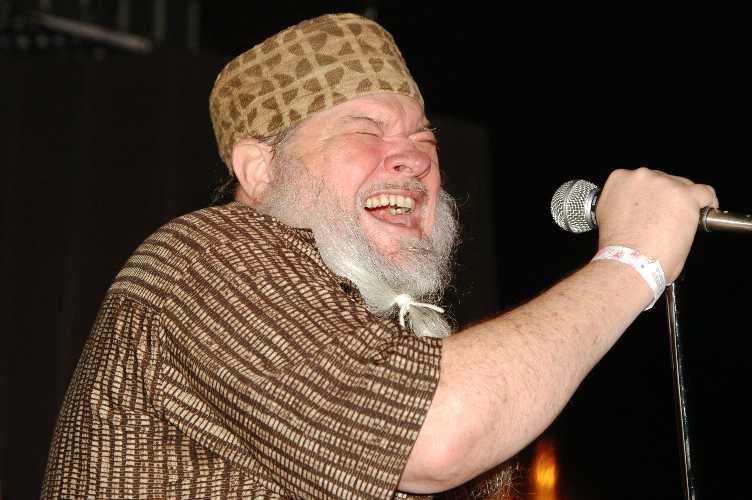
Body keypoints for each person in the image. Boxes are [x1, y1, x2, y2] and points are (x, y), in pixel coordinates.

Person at [41, 12, 718, 500]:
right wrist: (633, 260)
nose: (414, 158)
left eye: (425, 139)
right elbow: (437, 435)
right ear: (260, 168)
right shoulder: (207, 256)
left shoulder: (362, 327)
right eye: (365, 131)